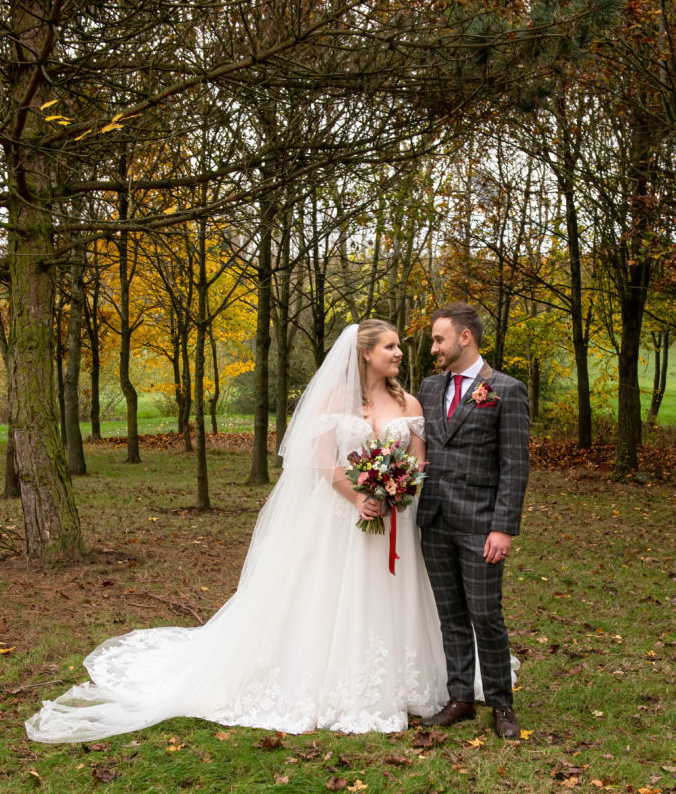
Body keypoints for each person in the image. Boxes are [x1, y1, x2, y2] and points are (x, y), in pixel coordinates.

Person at [26, 320, 450, 742]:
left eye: (399, 347)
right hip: (340, 518)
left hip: (394, 518)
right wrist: (358, 497)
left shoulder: (409, 403)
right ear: (365, 353)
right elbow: (322, 461)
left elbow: (418, 459)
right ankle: (327, 680)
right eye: (391, 347)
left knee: (390, 594)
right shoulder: (334, 399)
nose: (398, 353)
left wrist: (397, 490)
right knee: (327, 594)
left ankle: (400, 681)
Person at [417, 303, 529, 739]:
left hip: (482, 523)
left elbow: (515, 464)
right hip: (434, 518)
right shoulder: (428, 387)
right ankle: (461, 698)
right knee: (450, 615)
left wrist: (503, 527)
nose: (433, 347)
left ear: (465, 337)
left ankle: (501, 703)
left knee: (486, 613)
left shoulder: (506, 389)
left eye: (439, 339)